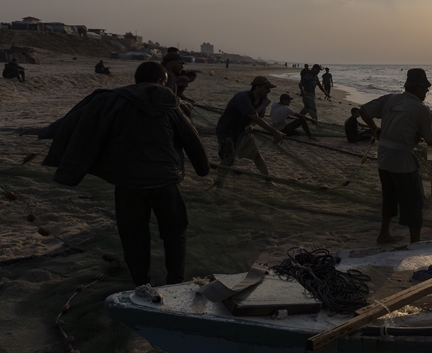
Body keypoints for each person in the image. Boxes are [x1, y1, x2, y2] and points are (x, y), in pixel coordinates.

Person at [43, 61, 210, 287]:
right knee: (174, 234)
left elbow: (76, 120)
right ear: (161, 81)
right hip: (165, 181)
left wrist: (46, 134)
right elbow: (193, 141)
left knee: (134, 236)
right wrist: (202, 169)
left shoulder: (113, 100)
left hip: (128, 183)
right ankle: (175, 283)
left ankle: (142, 285)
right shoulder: (172, 105)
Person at [359, 68, 432, 244]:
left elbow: (363, 111)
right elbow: (431, 140)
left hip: (383, 158)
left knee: (389, 197)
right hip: (402, 161)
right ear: (417, 88)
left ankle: (384, 234)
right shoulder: (422, 109)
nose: (427, 91)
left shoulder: (389, 99)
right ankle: (415, 243)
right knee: (414, 202)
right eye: (425, 88)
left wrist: (375, 129)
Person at [215, 76, 285, 178]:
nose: (269, 91)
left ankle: (268, 179)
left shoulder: (263, 102)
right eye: (266, 88)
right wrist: (274, 132)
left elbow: (257, 119)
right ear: (257, 88)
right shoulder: (243, 97)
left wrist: (250, 125)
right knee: (227, 158)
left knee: (256, 156)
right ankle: (219, 182)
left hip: (242, 132)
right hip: (226, 131)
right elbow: (254, 116)